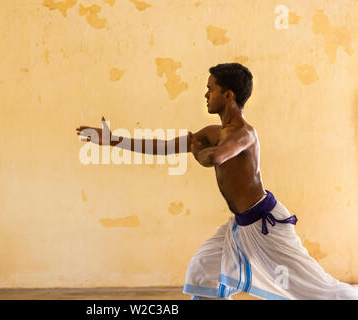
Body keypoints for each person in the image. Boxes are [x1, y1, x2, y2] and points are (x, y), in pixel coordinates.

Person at [76, 63, 358, 300]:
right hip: (240, 225)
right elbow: (163, 146)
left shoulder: (244, 134)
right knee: (203, 270)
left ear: (228, 94)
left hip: (266, 226)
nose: (206, 94)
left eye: (210, 88)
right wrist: (113, 141)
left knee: (319, 291)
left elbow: (215, 158)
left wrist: (198, 150)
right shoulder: (214, 132)